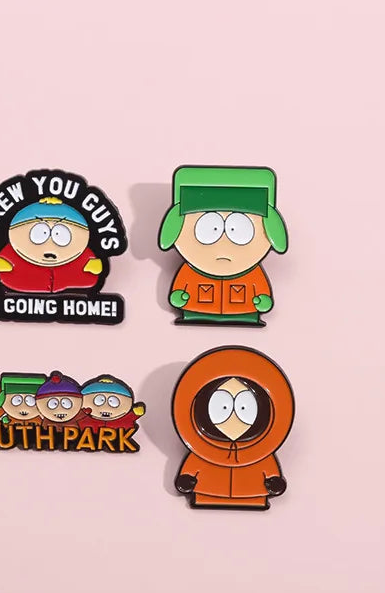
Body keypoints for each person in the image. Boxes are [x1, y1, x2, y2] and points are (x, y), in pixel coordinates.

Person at [158, 166, 287, 325]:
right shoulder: (190, 271)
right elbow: (180, 289)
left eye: (239, 232)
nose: (223, 246)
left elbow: (261, 291)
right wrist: (179, 296)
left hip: (244, 311)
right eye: (209, 229)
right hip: (196, 309)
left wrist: (262, 300)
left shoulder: (253, 273)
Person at [172, 347, 294, 510]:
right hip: (207, 493)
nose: (233, 417)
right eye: (223, 407)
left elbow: (270, 470)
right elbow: (192, 467)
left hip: (253, 496)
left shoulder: (260, 453)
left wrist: (273, 481)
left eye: (243, 408)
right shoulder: (202, 450)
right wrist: (187, 478)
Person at [0, 198, 103, 293]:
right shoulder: (13, 249)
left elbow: (92, 265)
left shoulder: (82, 252)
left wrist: (92, 265)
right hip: (21, 286)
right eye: (39, 233)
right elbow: (1, 260)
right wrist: (3, 263)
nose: (50, 247)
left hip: (73, 288)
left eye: (60, 235)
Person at [79, 375, 146, 431]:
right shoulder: (83, 416)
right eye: (99, 400)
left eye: (113, 402)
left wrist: (135, 413)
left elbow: (130, 417)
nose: (105, 407)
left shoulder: (123, 417)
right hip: (86, 436)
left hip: (119, 435)